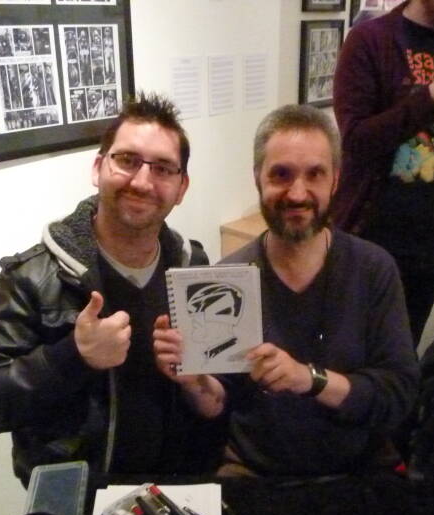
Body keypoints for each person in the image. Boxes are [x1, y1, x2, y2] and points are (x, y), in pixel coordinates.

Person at [0, 92, 217, 486]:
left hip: (177, 491)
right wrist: (73, 357)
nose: (142, 182)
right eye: (127, 160)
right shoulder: (33, 277)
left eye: (163, 169)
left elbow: (213, 395)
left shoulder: (192, 268)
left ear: (181, 187)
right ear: (98, 168)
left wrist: (196, 381)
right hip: (78, 498)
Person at [154, 104, 419, 477]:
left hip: (357, 470)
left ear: (335, 180)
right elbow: (218, 404)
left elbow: (399, 393)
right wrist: (193, 380)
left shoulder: (373, 269)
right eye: (281, 174)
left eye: (314, 174)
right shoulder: (227, 279)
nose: (297, 193)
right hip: (254, 471)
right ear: (258, 179)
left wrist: (308, 379)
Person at [332, 0, 434, 345]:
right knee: (352, 337)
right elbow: (357, 140)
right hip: (368, 227)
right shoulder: (370, 40)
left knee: (406, 339)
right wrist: (431, 97)